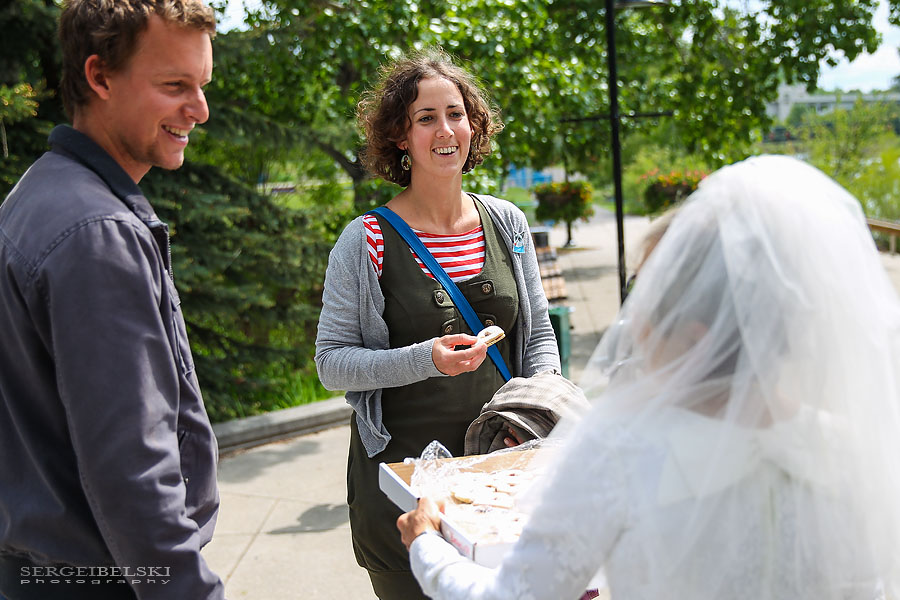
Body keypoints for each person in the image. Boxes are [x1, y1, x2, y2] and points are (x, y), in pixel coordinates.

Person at [398, 155, 900, 600]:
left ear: (698, 335)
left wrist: (426, 544)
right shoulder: (851, 446)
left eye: (650, 299)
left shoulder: (621, 451)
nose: (632, 322)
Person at [315, 48, 561, 599]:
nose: (445, 130)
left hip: (499, 475)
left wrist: (538, 414)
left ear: (474, 124)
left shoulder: (507, 223)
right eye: (425, 118)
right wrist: (424, 358)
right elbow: (332, 364)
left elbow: (539, 334)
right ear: (400, 137)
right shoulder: (366, 240)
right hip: (405, 489)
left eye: (456, 114)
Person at [0, 2, 224, 599]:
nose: (199, 110)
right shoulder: (98, 232)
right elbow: (132, 472)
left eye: (201, 86)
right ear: (99, 77)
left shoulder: (37, 192)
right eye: (175, 85)